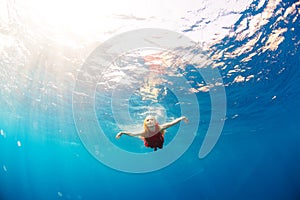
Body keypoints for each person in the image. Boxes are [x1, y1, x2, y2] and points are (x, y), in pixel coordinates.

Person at [116, 115, 188, 151]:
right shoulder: (144, 132)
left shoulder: (161, 127)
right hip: (149, 142)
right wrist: (122, 132)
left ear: (155, 122)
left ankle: (158, 149)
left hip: (160, 140)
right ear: (145, 123)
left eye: (152, 120)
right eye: (147, 120)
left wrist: (181, 118)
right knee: (152, 146)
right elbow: (132, 134)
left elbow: (172, 123)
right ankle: (155, 148)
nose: (150, 121)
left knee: (160, 146)